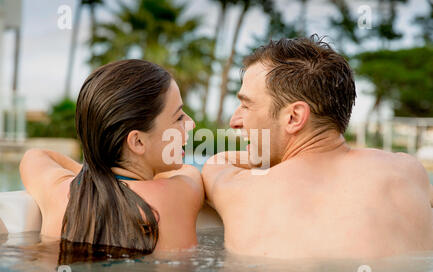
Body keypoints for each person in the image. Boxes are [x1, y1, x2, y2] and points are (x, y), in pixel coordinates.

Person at [202, 35, 433, 259]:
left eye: (246, 105)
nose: (234, 120)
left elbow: (219, 162)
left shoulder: (240, 189)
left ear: (293, 117)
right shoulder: (409, 172)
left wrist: (264, 157)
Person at [20, 59, 204, 253]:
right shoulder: (179, 193)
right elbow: (190, 171)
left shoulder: (58, 193)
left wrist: (99, 171)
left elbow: (34, 156)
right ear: (138, 142)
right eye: (179, 117)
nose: (190, 123)